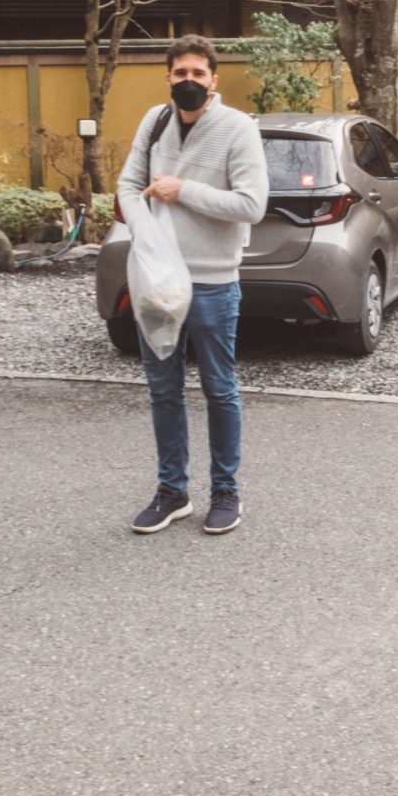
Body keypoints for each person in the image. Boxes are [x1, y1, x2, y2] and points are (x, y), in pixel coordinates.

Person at [118, 34, 268, 536]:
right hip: (158, 282)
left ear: (213, 79)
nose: (188, 82)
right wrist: (146, 230)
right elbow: (125, 185)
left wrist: (185, 190)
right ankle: (172, 492)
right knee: (163, 391)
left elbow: (252, 205)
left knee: (219, 390)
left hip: (211, 282)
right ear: (168, 78)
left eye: (197, 74)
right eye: (180, 74)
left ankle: (226, 492)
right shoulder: (154, 121)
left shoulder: (238, 128)